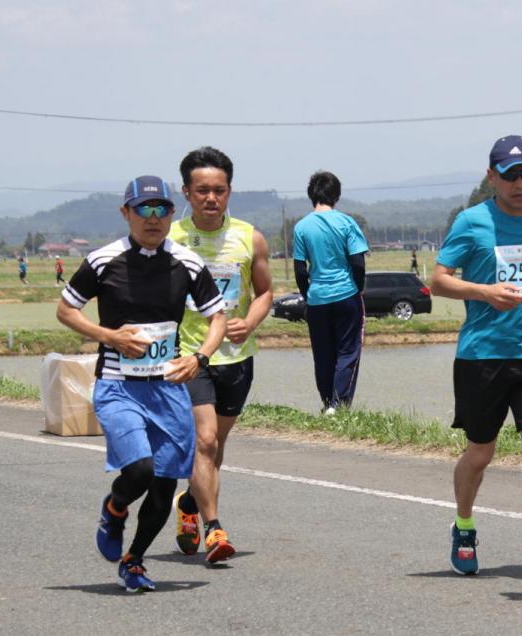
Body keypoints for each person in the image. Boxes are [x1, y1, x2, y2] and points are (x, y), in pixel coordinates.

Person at [56, 175, 226, 592]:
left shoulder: (186, 262)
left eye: (162, 210)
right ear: (125, 212)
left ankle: (134, 560)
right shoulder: (103, 260)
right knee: (140, 470)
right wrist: (110, 337)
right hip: (118, 385)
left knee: (166, 480)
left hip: (167, 387)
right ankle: (114, 509)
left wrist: (199, 356)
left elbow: (217, 316)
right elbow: (66, 310)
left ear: (172, 214)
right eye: (143, 210)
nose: (153, 219)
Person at [430, 134, 522, 580]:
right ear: (492, 177)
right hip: (481, 355)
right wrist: (484, 292)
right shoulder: (471, 222)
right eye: (510, 175)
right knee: (480, 453)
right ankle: (464, 524)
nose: (519, 184)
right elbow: (439, 280)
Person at [169, 146, 273, 563]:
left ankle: (190, 506)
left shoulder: (250, 237)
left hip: (237, 355)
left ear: (229, 191)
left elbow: (265, 292)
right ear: (186, 193)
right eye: (202, 191)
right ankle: (214, 529)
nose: (211, 199)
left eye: (219, 190)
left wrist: (250, 321)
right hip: (189, 356)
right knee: (206, 439)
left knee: (216, 446)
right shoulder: (171, 239)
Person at [292, 171, 369, 414]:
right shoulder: (346, 223)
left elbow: (299, 268)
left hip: (317, 299)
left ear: (311, 195)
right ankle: (339, 404)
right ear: (336, 195)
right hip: (346, 294)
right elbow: (358, 262)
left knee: (323, 354)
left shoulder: (301, 227)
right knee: (348, 351)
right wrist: (357, 289)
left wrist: (308, 294)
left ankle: (327, 403)